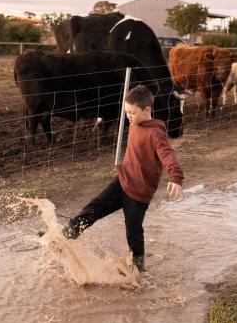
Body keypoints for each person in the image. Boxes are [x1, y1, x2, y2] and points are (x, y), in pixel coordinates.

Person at [57, 84, 184, 272]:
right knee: (92, 209)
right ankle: (62, 238)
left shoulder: (156, 134)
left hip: (139, 193)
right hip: (122, 182)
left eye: (132, 113)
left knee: (133, 232)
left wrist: (176, 177)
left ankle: (138, 269)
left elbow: (168, 155)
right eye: (127, 112)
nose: (128, 117)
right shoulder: (135, 124)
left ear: (147, 110)